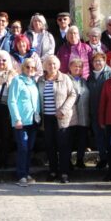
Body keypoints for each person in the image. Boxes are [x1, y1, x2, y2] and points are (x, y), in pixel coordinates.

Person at [37, 54, 77, 183]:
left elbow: (73, 94)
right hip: (47, 118)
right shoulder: (40, 80)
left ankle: (64, 173)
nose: (52, 66)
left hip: (62, 118)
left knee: (63, 146)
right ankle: (53, 171)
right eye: (49, 64)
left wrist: (63, 110)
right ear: (45, 66)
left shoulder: (65, 78)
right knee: (50, 145)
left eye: (54, 64)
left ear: (58, 65)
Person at [7, 58, 41, 186]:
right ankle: (21, 175)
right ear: (23, 68)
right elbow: (12, 101)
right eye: (28, 67)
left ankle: (26, 173)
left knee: (29, 148)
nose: (30, 69)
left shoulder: (33, 82)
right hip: (21, 121)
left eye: (33, 67)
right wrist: (16, 119)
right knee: (23, 147)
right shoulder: (17, 80)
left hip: (33, 120)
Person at [86, 51, 111, 173]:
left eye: (100, 60)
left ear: (104, 61)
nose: (98, 63)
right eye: (95, 61)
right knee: (99, 137)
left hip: (107, 112)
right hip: (94, 111)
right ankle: (103, 158)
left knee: (109, 137)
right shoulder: (90, 76)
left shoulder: (109, 74)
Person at [67, 58, 91, 169]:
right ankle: (68, 161)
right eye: (75, 66)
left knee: (82, 139)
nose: (77, 69)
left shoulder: (84, 81)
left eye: (80, 67)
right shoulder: (66, 79)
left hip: (83, 115)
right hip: (71, 115)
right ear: (70, 67)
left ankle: (80, 159)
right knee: (70, 139)